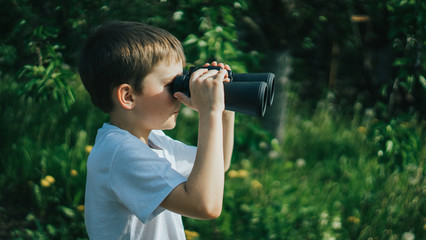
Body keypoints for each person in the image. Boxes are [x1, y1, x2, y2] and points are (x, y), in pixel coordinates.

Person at [78, 21, 234, 240]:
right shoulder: (119, 152)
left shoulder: (153, 139)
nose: (179, 93)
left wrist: (225, 110)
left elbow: (220, 164)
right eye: (172, 84)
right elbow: (204, 205)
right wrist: (210, 112)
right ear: (128, 96)